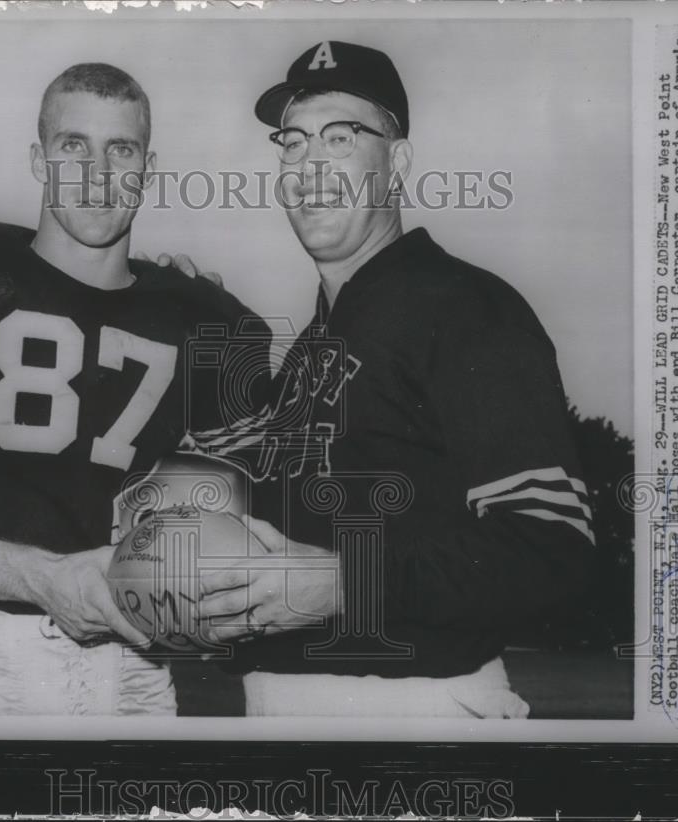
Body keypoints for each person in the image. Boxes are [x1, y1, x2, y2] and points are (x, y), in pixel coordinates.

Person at [0, 62, 267, 716]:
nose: (98, 175)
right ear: (39, 160)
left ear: (148, 168)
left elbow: (245, 516)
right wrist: (42, 579)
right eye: (75, 146)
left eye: (119, 149)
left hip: (144, 672)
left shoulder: (200, 320)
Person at [195, 41, 595, 717]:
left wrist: (348, 585)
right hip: (278, 709)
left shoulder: (464, 306)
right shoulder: (314, 348)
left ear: (397, 162)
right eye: (291, 142)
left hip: (416, 711)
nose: (309, 163)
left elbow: (551, 545)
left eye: (341, 137)